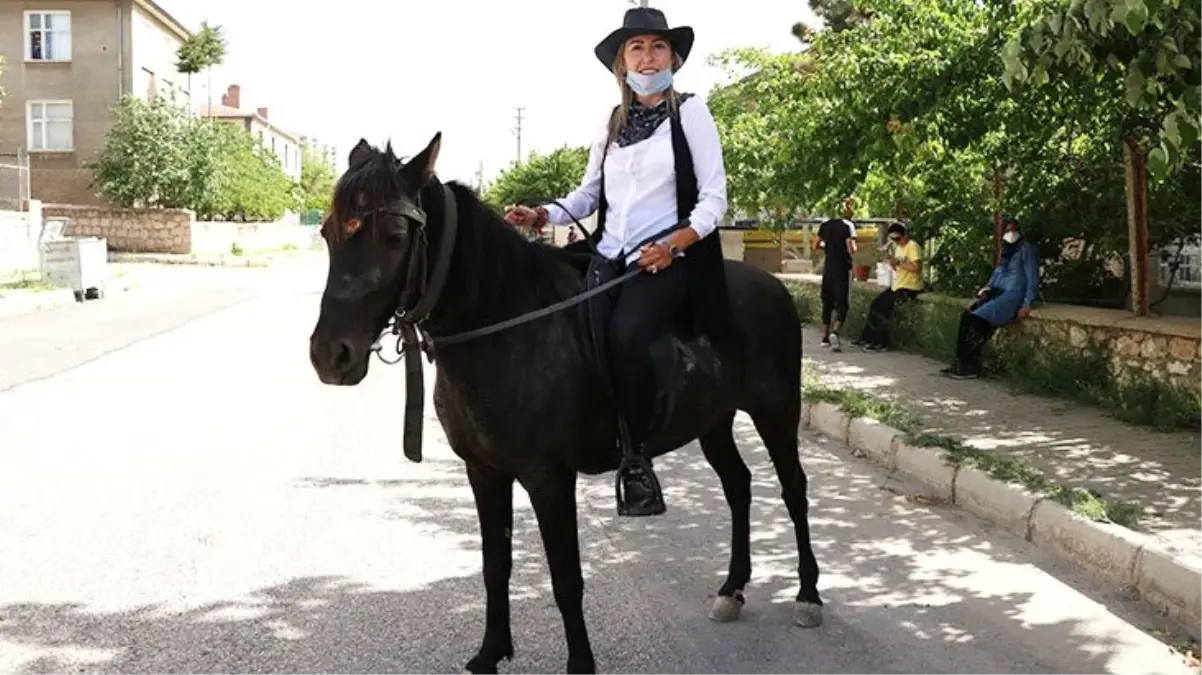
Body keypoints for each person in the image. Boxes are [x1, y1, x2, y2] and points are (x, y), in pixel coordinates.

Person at [503, 7, 735, 518]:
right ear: (621, 63)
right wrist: (542, 212)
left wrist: (675, 243)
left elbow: (714, 198)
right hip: (609, 254)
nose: (648, 57)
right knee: (574, 328)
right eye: (637, 48)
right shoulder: (612, 123)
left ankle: (636, 459)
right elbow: (589, 195)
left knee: (628, 333)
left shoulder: (690, 112)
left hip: (667, 258)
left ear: (672, 56)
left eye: (657, 47)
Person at [942, 216, 1040, 379]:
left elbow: (1032, 278)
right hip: (997, 292)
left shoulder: (1026, 250)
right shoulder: (1005, 251)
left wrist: (1027, 303)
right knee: (967, 316)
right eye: (1007, 231)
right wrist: (985, 290)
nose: (1011, 234)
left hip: (1012, 295)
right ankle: (961, 361)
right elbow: (996, 274)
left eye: (1013, 230)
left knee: (976, 320)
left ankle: (971, 365)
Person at [853, 222, 923, 352]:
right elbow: (899, 267)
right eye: (894, 239)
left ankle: (880, 342)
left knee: (884, 309)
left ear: (904, 235)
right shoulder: (898, 247)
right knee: (875, 304)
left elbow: (916, 268)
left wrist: (899, 263)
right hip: (898, 285)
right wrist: (892, 264)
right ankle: (867, 337)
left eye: (898, 238)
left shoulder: (912, 247)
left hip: (910, 287)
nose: (897, 242)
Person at [813, 203, 857, 351]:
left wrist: (829, 247)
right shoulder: (848, 226)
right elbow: (851, 248)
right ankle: (835, 331)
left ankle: (824, 337)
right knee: (843, 302)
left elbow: (815, 245)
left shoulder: (825, 225)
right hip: (843, 268)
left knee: (827, 302)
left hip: (829, 268)